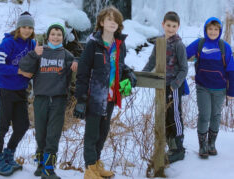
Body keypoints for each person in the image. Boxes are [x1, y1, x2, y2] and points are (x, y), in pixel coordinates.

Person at [73, 6, 137, 179]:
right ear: (101, 22)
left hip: (111, 96)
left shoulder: (119, 45)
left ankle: (97, 164)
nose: (112, 23)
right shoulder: (92, 44)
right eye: (109, 19)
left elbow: (118, 65)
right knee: (92, 133)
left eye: (116, 20)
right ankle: (89, 169)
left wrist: (128, 72)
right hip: (94, 96)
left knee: (103, 132)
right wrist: (81, 98)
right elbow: (83, 72)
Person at [19, 22, 76, 179]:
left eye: (59, 34)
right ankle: (40, 164)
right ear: (48, 36)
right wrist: (34, 54)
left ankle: (49, 168)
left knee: (53, 133)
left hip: (58, 99)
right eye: (53, 34)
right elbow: (23, 65)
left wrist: (76, 63)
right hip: (41, 99)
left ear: (62, 37)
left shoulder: (66, 54)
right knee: (41, 133)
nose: (56, 37)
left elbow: (77, 65)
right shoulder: (40, 51)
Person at [0, 11, 36, 176]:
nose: (27, 30)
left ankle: (8, 154)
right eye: (24, 27)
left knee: (22, 125)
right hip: (4, 89)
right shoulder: (8, 43)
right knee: (0, 127)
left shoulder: (32, 44)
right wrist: (20, 71)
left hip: (20, 91)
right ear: (18, 27)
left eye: (30, 27)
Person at [142, 11, 188, 164]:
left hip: (173, 86)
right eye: (168, 25)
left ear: (178, 27)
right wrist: (143, 75)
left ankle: (179, 148)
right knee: (163, 114)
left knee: (174, 115)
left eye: (174, 26)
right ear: (163, 24)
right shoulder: (159, 41)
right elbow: (152, 60)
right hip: (160, 84)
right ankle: (170, 145)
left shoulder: (179, 45)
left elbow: (184, 69)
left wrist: (175, 85)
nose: (170, 28)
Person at [186, 17, 234, 158]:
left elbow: (231, 69)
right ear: (205, 29)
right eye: (210, 29)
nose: (213, 32)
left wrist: (231, 91)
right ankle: (202, 146)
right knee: (204, 115)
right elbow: (183, 54)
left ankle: (211, 143)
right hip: (203, 87)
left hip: (220, 88)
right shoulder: (200, 43)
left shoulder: (224, 46)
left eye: (216, 29)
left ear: (219, 31)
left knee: (215, 115)